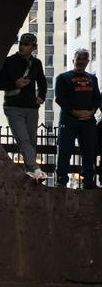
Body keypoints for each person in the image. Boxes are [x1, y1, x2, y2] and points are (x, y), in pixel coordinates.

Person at [0, 32, 48, 181]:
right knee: (23, 138)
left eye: (26, 44)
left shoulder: (36, 63)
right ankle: (36, 170)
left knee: (31, 140)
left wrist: (41, 96)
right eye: (21, 43)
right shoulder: (8, 61)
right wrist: (14, 84)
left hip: (31, 107)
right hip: (13, 107)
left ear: (33, 47)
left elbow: (43, 81)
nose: (22, 46)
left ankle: (30, 173)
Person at [54, 48, 101, 189]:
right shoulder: (63, 77)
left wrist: (91, 112)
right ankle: (61, 180)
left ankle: (88, 180)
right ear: (73, 60)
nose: (81, 61)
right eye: (78, 58)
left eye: (84, 59)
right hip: (69, 120)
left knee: (89, 151)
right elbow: (60, 99)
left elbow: (97, 99)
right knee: (64, 150)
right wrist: (75, 112)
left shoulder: (93, 78)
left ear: (88, 61)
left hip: (88, 121)